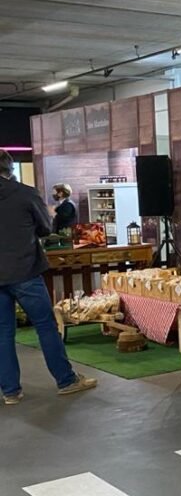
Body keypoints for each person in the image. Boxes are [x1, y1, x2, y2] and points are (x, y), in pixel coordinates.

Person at [0, 149, 97, 405]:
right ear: (10, 170)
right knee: (45, 325)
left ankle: (10, 392)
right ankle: (66, 380)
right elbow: (45, 228)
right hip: (25, 271)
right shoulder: (26, 194)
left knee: (2, 333)